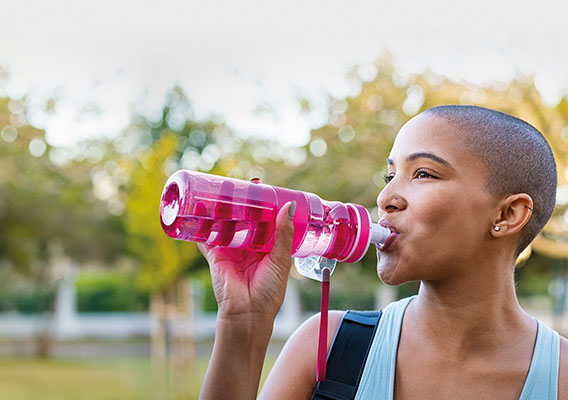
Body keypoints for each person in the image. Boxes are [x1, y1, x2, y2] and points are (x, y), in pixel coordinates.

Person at [197, 105, 567, 399]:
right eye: (390, 176)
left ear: (508, 214)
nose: (385, 199)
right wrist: (243, 321)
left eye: (423, 174)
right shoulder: (328, 349)